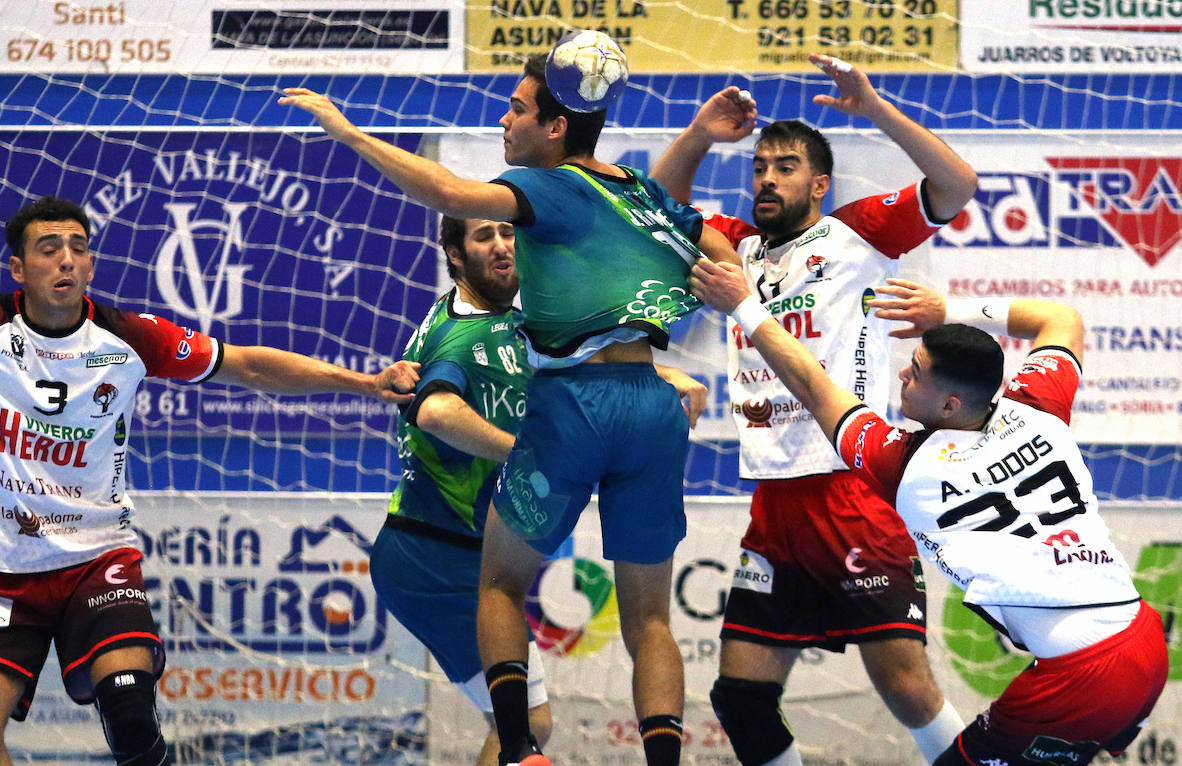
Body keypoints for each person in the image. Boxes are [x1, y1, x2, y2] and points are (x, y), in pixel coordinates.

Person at [0, 111, 420, 766]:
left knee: (130, 715)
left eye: (77, 246)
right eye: (49, 248)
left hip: (99, 561)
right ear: (18, 267)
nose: (66, 258)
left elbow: (247, 364)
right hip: (1, 569)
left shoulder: (128, 338)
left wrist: (362, 381)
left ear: (91, 262)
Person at [282, 45, 738, 766]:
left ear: (555, 128)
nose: (506, 119)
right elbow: (719, 254)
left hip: (573, 406)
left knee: (499, 585)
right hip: (650, 406)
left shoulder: (548, 185)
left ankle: (521, 749)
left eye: (519, 108)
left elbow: (449, 192)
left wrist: (349, 133)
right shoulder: (641, 197)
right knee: (652, 619)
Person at [691, 260, 1169, 765]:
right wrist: (948, 311)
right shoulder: (1038, 408)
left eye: (915, 372)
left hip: (1079, 673)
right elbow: (1062, 318)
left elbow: (811, 384)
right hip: (1142, 637)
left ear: (949, 405)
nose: (903, 373)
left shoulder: (908, 466)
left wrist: (743, 305)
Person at [651, 53, 979, 765]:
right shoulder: (735, 249)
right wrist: (703, 134)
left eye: (786, 166)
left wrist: (876, 109)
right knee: (740, 698)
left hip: (850, 489)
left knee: (905, 688)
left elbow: (957, 186)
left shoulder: (854, 235)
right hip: (775, 506)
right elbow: (661, 205)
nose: (768, 177)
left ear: (820, 183)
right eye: (761, 166)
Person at [372, 214, 708, 766]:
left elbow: (569, 364)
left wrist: (663, 376)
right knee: (528, 723)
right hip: (432, 554)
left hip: (461, 549)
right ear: (454, 256)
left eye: (510, 234)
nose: (504, 247)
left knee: (529, 726)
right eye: (485, 237)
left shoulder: (520, 317)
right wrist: (523, 452)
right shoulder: (462, 329)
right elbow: (433, 411)